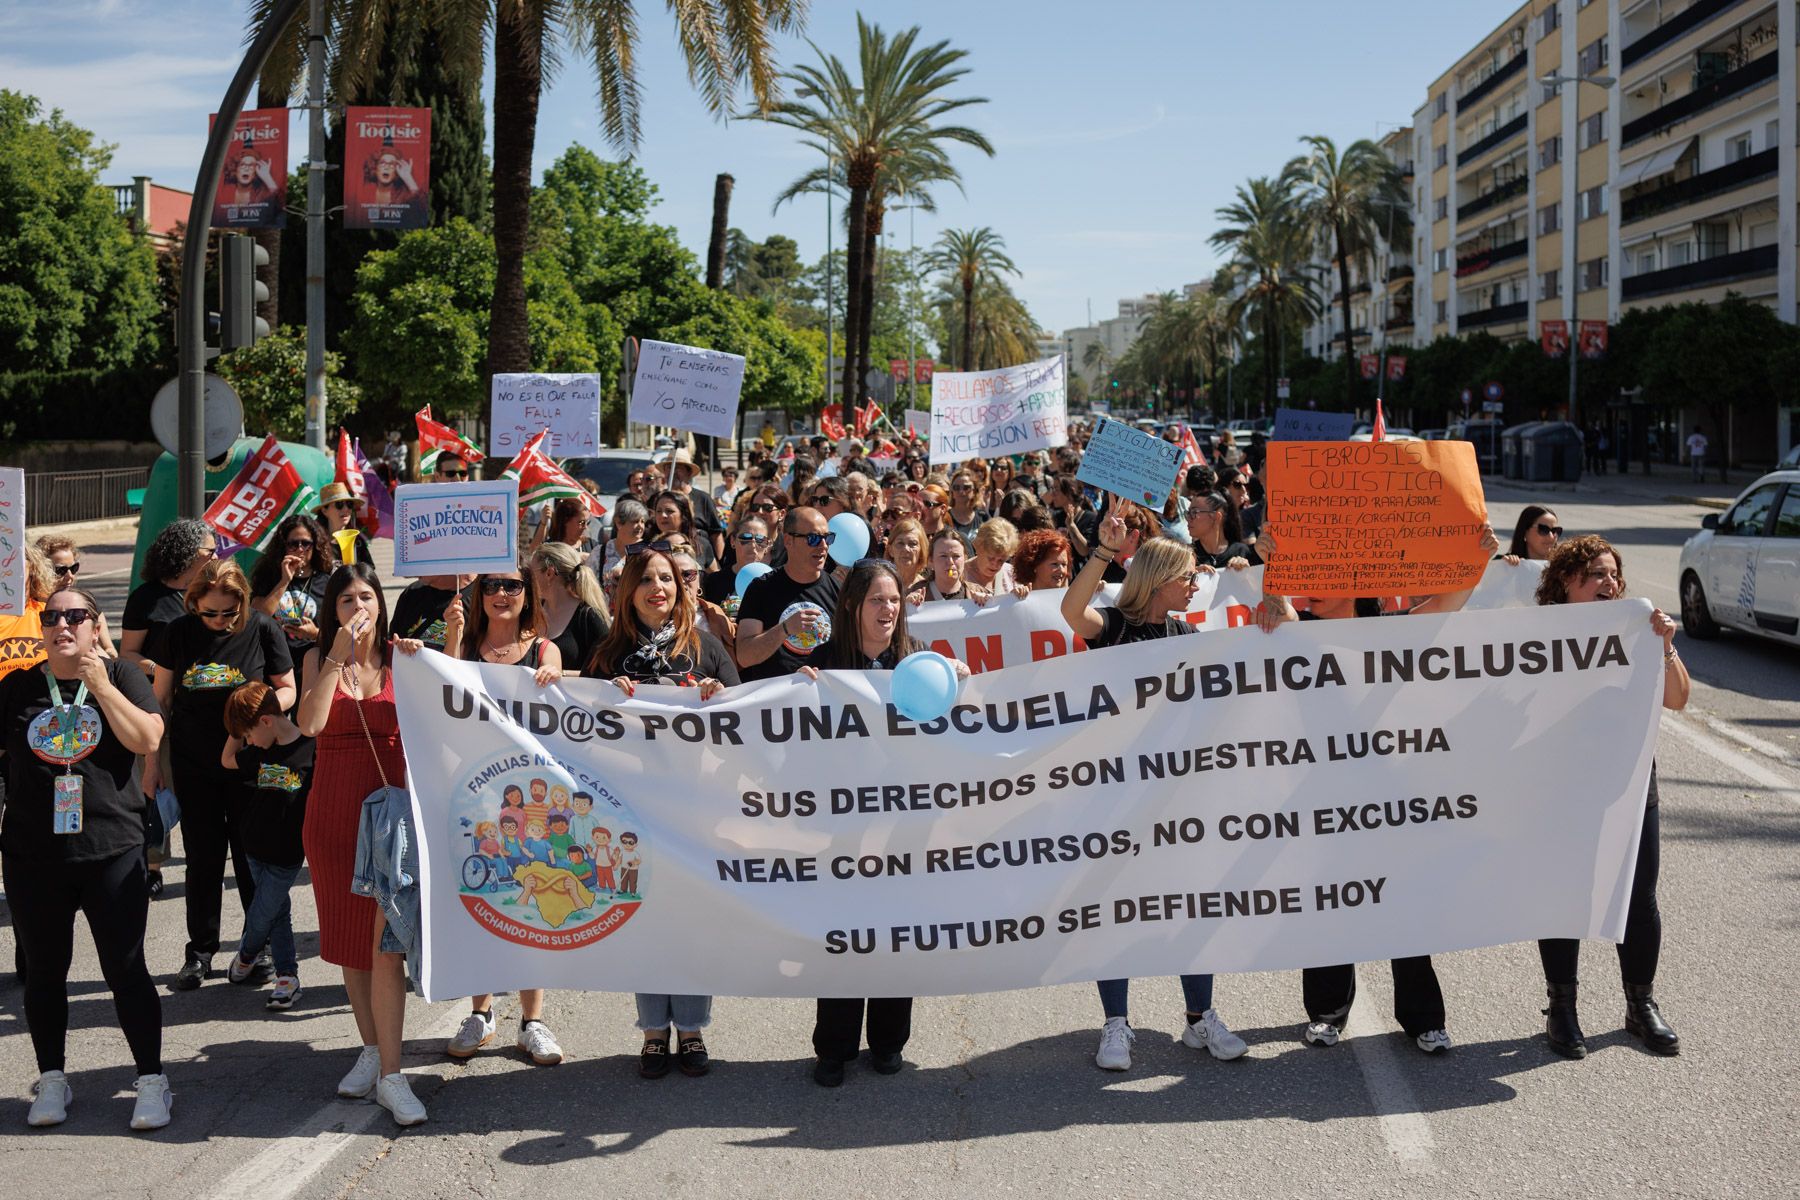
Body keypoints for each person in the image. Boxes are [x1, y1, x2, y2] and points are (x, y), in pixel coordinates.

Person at [1267, 524, 1498, 1055]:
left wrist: (1477, 558)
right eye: (1306, 580)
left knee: (1406, 903)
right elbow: (1278, 609)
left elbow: (1448, 605)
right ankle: (1327, 1013)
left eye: (1323, 578)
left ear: (1355, 583)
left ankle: (1422, 1019)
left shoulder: (1388, 629)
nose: (1311, 587)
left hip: (1393, 799)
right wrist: (1271, 564)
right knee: (1332, 904)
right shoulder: (1302, 635)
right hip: (1326, 800)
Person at [1058, 510, 1266, 1070]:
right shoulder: (1115, 627)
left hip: (1175, 801)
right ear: (1158, 578)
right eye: (1187, 576)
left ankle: (1200, 1020)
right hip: (1113, 798)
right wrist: (1102, 553)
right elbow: (1070, 612)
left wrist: (1275, 599)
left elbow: (1234, 675)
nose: (1195, 584)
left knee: (1190, 908)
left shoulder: (1184, 634)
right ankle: (1117, 1024)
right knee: (1113, 910)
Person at [2, 587, 171, 1130]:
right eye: (52, 617)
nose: (62, 625)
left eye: (76, 615)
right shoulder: (19, 687)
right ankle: (51, 1079)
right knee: (45, 972)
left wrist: (99, 683)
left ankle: (151, 1081)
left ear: (96, 626)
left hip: (111, 849)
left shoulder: (123, 677)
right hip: (34, 854)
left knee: (125, 968)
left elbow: (147, 738)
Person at [793, 560, 968, 1086]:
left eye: (894, 600)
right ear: (852, 605)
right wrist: (800, 692)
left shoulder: (919, 663)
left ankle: (889, 1041)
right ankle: (835, 1047)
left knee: (896, 931)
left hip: (905, 830)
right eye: (876, 600)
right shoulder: (825, 666)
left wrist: (957, 680)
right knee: (845, 936)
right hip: (843, 829)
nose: (888, 609)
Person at [1534, 535, 1687, 1058]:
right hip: (1562, 790)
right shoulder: (1535, 636)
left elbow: (1678, 699)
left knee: (1639, 898)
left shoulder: (1637, 631)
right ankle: (1562, 1008)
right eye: (1595, 574)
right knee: (1564, 898)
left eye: (1613, 574)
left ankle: (1640, 1005)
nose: (1609, 583)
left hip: (1630, 787)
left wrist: (1664, 645)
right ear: (1564, 585)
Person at [586, 547, 736, 1079]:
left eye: (667, 578)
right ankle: (653, 1029)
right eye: (646, 579)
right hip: (632, 814)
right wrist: (606, 698)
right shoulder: (607, 655)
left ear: (681, 586)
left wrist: (719, 696)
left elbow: (748, 723)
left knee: (692, 921)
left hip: (695, 811)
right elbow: (578, 731)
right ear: (628, 590)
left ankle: (691, 1028)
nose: (658, 587)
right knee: (645, 918)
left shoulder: (706, 647)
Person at [294, 564, 428, 1125]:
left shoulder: (405, 659)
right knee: (352, 943)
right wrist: (334, 656)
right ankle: (371, 1050)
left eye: (366, 596)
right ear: (334, 610)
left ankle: (393, 1076)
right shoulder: (316, 659)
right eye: (345, 599)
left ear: (382, 603)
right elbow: (310, 723)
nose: (357, 607)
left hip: (392, 818)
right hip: (335, 812)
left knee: (386, 943)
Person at [145, 558, 295, 991]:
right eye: (208, 612)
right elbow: (161, 704)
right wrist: (153, 765)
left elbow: (288, 687)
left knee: (252, 859)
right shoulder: (178, 632)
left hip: (250, 764)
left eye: (229, 612)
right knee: (203, 860)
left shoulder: (263, 629)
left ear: (243, 603)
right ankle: (200, 952)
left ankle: (258, 946)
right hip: (195, 767)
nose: (218, 620)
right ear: (193, 603)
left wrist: (260, 707)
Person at [442, 564, 567, 1066]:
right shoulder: (465, 646)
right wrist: (450, 636)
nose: (500, 593)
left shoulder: (543, 648)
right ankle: (481, 1013)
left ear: (527, 593)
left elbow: (560, 698)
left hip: (532, 803)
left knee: (531, 903)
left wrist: (555, 679)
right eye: (490, 586)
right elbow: (442, 694)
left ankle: (532, 1020)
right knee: (481, 900)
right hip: (475, 797)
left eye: (511, 585)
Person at [220, 681, 311, 1011]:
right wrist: (239, 725)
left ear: (268, 720)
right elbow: (227, 759)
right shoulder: (258, 749)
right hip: (253, 845)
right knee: (277, 912)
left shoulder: (309, 749)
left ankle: (247, 951)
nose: (247, 741)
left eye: (248, 733)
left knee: (262, 915)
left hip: (287, 853)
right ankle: (287, 977)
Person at [735, 507, 841, 681]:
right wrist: (785, 629)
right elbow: (744, 656)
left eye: (828, 538)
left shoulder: (838, 590)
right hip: (777, 701)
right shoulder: (761, 588)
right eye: (813, 539)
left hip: (824, 701)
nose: (823, 546)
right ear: (788, 541)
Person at [250, 513, 338, 670]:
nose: (300, 549)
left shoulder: (327, 582)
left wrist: (315, 634)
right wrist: (284, 581)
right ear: (283, 546)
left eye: (306, 543)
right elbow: (257, 616)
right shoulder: (269, 576)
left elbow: (339, 635)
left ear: (315, 545)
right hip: (275, 666)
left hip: (314, 665)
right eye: (293, 544)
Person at [528, 543, 610, 674]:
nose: (528, 578)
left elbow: (607, 671)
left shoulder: (589, 616)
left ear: (549, 573)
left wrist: (561, 674)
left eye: (531, 572)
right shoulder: (531, 610)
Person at [35, 536, 118, 657]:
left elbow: (110, 651)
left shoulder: (87, 605)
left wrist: (100, 655)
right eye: (60, 570)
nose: (70, 576)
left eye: (73, 568)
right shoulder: (25, 609)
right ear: (39, 570)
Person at [702, 513, 774, 613]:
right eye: (745, 538)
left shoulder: (775, 581)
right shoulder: (714, 581)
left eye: (760, 540)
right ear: (732, 541)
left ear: (768, 545)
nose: (753, 545)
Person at [1184, 493, 1253, 570]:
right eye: (1188, 513)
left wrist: (1246, 571)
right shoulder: (1186, 554)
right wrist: (1189, 576)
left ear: (1216, 517)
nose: (1188, 518)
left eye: (1194, 512)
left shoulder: (1241, 551)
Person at [316, 483, 374, 567]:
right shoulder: (316, 543)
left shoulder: (358, 541)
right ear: (324, 511)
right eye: (339, 505)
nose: (346, 509)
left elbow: (369, 569)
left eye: (349, 504)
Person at [1009, 529, 1074, 593]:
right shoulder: (1018, 598)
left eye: (1064, 564)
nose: (1062, 570)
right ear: (1034, 565)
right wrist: (1014, 598)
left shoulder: (1071, 600)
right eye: (1054, 564)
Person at [967, 519, 1019, 595]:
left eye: (1001, 560)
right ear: (979, 549)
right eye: (991, 558)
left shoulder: (1011, 573)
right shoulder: (961, 574)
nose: (995, 564)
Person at [884, 517, 930, 598]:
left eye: (913, 543)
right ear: (890, 550)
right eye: (900, 543)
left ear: (922, 551)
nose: (906, 549)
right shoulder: (879, 585)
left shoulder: (928, 589)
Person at [945, 471, 988, 551]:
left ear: (974, 491)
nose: (961, 491)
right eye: (956, 488)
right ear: (952, 491)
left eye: (966, 487)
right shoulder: (944, 517)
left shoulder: (984, 517)